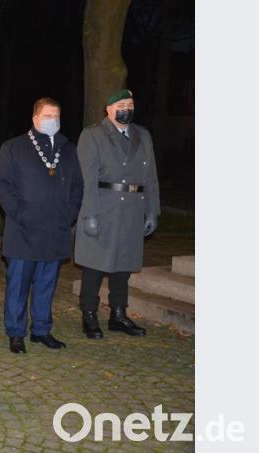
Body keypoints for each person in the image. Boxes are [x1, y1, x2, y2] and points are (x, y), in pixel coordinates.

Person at [0, 98, 83, 353]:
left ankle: (41, 330)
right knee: (19, 285)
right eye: (46, 115)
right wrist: (19, 213)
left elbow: (78, 185)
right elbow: (1, 183)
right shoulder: (14, 147)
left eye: (56, 116)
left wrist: (70, 213)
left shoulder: (68, 149)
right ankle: (16, 332)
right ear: (34, 118)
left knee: (46, 284)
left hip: (55, 230)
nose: (51, 120)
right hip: (24, 230)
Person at [75, 89, 160, 339]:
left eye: (130, 104)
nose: (126, 108)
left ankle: (118, 314)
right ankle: (89, 314)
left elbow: (150, 176)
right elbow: (86, 179)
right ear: (108, 109)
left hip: (133, 208)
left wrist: (152, 211)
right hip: (103, 207)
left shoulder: (143, 135)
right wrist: (88, 213)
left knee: (124, 264)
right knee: (94, 264)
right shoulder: (92, 135)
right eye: (120, 104)